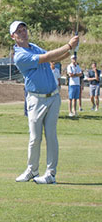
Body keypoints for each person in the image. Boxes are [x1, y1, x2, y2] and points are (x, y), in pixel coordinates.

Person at [11, 20, 78, 184]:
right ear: (13, 36)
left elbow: (53, 58)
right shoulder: (20, 56)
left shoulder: (34, 47)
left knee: (51, 136)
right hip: (35, 99)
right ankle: (32, 170)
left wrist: (71, 51)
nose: (23, 32)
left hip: (53, 97)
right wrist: (68, 46)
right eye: (19, 31)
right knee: (35, 138)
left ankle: (50, 174)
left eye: (24, 29)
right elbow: (47, 57)